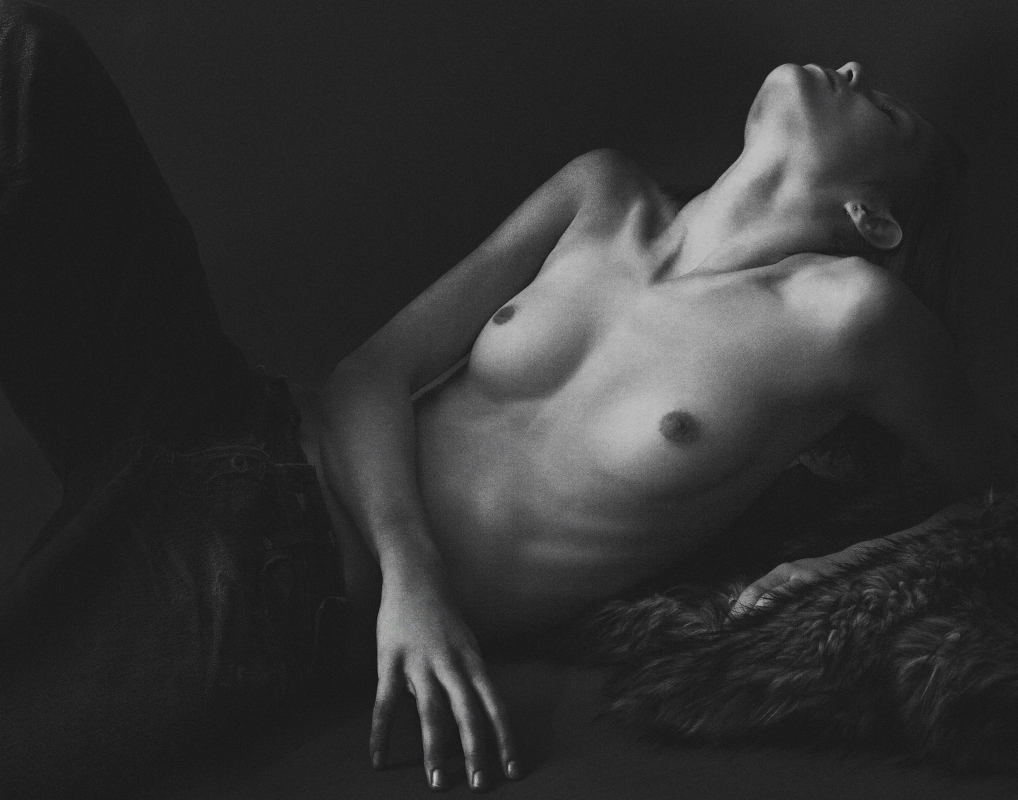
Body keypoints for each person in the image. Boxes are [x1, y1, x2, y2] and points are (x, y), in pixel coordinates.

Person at [0, 2, 1013, 798]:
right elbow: (369, 374)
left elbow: (994, 491)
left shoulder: (845, 315)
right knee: (26, 54)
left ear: (873, 218)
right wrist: (416, 578)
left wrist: (833, 562)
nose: (850, 69)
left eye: (885, 108)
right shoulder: (602, 193)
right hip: (222, 413)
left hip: (272, 572)